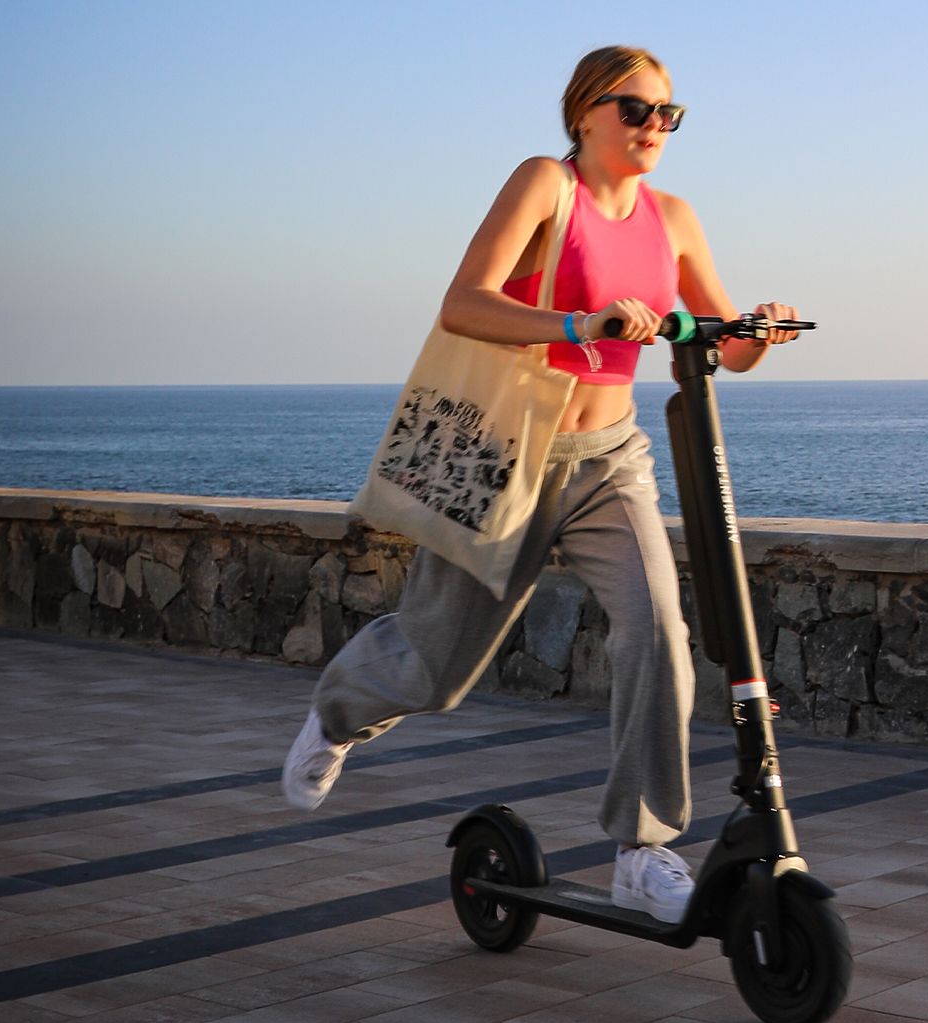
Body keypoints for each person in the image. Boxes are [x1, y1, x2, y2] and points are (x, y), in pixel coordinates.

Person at [281, 45, 799, 924]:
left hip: (610, 457)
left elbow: (718, 345)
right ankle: (338, 711)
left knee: (659, 635)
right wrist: (575, 320)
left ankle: (644, 849)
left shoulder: (672, 217)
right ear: (586, 112)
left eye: (668, 114)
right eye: (636, 109)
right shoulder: (544, 186)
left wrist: (762, 330)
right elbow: (466, 303)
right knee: (438, 671)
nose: (654, 128)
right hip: (509, 455)